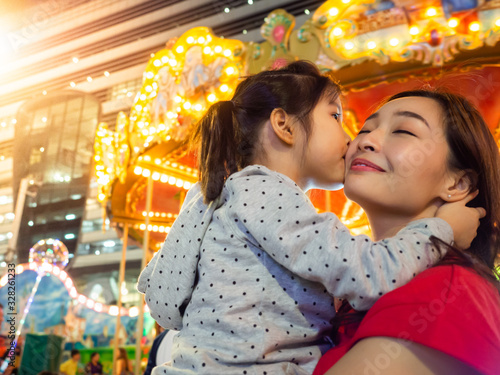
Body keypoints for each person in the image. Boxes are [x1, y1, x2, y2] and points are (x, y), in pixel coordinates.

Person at [137, 61, 482, 374]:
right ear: (283, 125)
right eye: (336, 117)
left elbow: (164, 301)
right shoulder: (267, 193)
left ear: (459, 182)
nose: (357, 140)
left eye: (404, 131)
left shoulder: (215, 198)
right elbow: (368, 273)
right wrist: (442, 229)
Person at [313, 89, 500, 375]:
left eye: (403, 131)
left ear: (458, 184)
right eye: (365, 128)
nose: (366, 140)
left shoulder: (446, 289)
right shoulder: (354, 291)